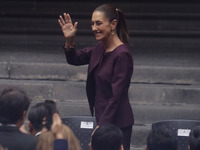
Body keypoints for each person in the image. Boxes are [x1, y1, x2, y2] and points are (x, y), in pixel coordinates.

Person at [58, 4, 134, 150]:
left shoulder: (122, 54)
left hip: (117, 124)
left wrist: (101, 126)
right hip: (103, 120)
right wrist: (69, 40)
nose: (94, 28)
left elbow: (117, 97)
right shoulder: (100, 48)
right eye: (92, 24)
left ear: (113, 24)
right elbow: (75, 59)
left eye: (98, 23)